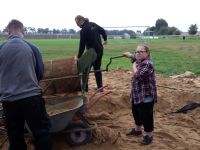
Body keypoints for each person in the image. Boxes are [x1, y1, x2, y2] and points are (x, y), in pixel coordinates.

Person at [0, 19, 52, 150]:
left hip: (9, 100)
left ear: (8, 31)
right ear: (23, 31)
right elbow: (40, 73)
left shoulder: (1, 48)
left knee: (15, 137)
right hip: (31, 98)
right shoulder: (32, 48)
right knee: (42, 133)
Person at [123, 45, 157, 145]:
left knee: (146, 116)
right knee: (136, 113)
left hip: (146, 96)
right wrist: (130, 55)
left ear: (147, 53)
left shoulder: (148, 64)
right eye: (137, 52)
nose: (138, 53)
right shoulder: (140, 61)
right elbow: (135, 58)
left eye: (141, 52)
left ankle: (149, 136)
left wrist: (133, 63)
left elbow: (137, 75)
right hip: (137, 94)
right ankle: (138, 130)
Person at [75, 15, 107, 92]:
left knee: (85, 70)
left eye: (77, 23)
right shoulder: (93, 24)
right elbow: (103, 31)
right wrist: (105, 39)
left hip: (92, 52)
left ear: (81, 20)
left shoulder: (83, 31)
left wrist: (79, 56)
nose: (77, 25)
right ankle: (100, 88)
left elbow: (82, 45)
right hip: (100, 49)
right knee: (97, 69)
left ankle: (84, 89)